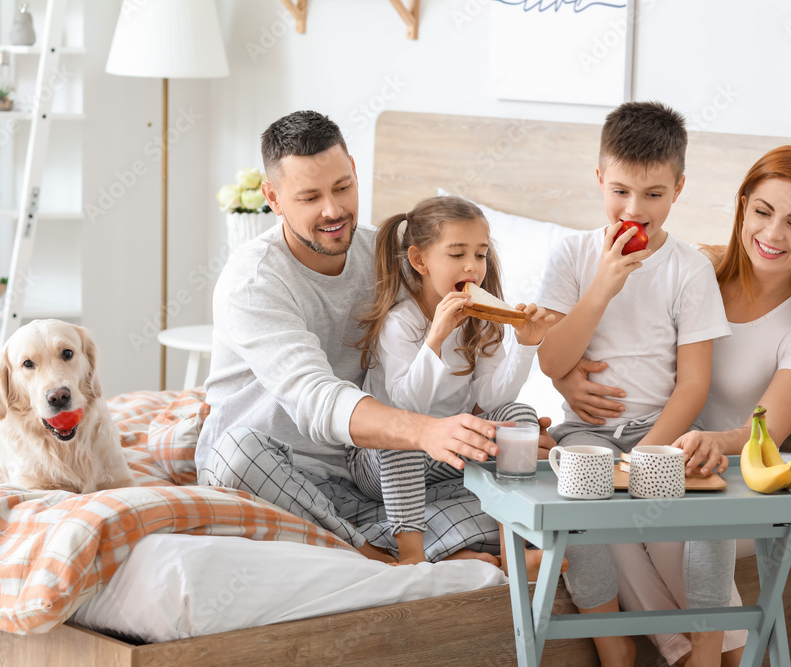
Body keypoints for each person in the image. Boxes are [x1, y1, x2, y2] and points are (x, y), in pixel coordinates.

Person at [195, 110, 546, 566]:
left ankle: (383, 542)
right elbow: (317, 398)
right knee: (236, 456)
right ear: (273, 199)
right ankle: (374, 556)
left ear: (355, 172)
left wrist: (554, 374)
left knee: (539, 500)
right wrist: (426, 431)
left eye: (342, 187)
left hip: (368, 480)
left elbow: (455, 351)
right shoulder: (254, 281)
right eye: (309, 197)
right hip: (278, 473)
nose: (333, 210)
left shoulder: (384, 254)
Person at [557, 144, 791, 666]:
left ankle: (717, 657)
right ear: (742, 206)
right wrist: (567, 386)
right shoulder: (699, 271)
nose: (772, 235)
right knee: (603, 517)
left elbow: (764, 434)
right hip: (663, 457)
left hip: (732, 475)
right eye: (762, 212)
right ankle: (679, 653)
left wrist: (713, 440)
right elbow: (618, 352)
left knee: (675, 529)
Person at [536, 101, 733, 666]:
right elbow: (552, 361)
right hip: (587, 431)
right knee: (582, 501)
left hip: (661, 428)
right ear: (599, 179)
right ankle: (613, 643)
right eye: (620, 190)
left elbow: (694, 383)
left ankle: (705, 646)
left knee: (708, 518)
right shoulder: (573, 255)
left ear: (678, 189)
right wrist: (602, 287)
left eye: (653, 194)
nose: (634, 209)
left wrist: (651, 450)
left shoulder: (689, 267)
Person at [348, 195, 555, 568]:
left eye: (480, 254)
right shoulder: (402, 323)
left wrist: (527, 344)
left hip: (446, 453)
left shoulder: (481, 320)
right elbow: (405, 410)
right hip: (381, 458)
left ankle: (514, 549)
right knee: (406, 433)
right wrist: (436, 340)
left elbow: (493, 399)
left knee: (518, 415)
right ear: (419, 260)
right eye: (457, 254)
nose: (472, 267)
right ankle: (411, 554)